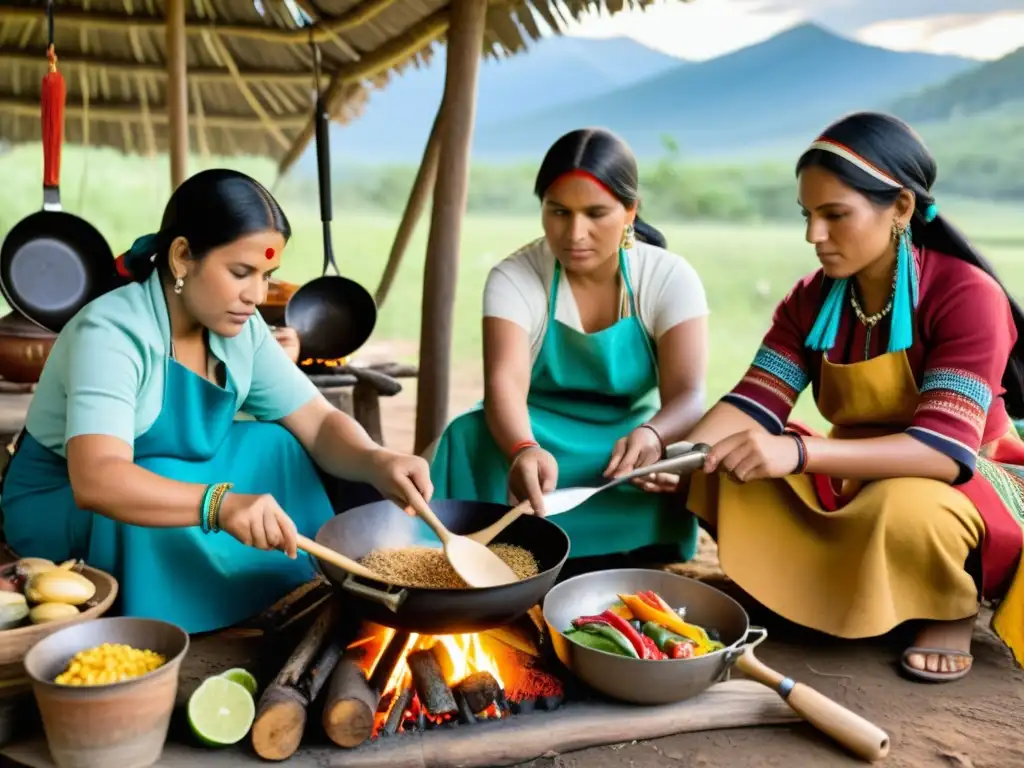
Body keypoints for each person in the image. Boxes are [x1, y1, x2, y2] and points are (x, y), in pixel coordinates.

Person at [647, 111, 1024, 681]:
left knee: (905, 506)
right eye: (808, 214)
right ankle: (818, 588)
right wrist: (676, 455)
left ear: (900, 207)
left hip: (966, 481)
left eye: (834, 215)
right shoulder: (812, 298)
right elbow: (754, 401)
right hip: (851, 477)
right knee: (722, 460)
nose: (813, 235)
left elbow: (943, 453)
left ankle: (946, 603)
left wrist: (799, 454)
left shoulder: (968, 295)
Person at [0, 169, 433, 634]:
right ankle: (192, 607)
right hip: (70, 503)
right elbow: (97, 479)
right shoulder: (111, 333)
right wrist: (219, 506)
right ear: (183, 256)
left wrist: (376, 459)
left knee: (276, 444)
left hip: (173, 473)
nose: (256, 296)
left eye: (267, 275)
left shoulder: (240, 330)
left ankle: (295, 586)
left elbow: (320, 423)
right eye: (240, 273)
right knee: (161, 475)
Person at [430, 128, 709, 562]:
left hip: (628, 440)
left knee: (688, 450)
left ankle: (639, 546)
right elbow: (504, 384)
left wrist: (653, 436)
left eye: (596, 213)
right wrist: (523, 448)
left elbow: (688, 395)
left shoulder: (669, 277)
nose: (575, 233)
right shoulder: (515, 276)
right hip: (535, 432)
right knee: (469, 433)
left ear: (630, 211)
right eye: (559, 212)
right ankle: (479, 551)